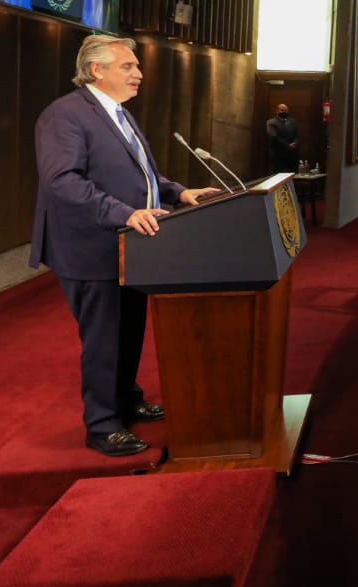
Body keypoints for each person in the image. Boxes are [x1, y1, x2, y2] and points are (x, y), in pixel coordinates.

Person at [30, 35, 220, 456]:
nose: (138, 74)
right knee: (104, 338)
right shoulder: (65, 115)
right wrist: (123, 213)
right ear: (97, 70)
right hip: (91, 248)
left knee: (129, 329)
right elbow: (62, 182)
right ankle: (101, 425)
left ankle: (127, 399)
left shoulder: (116, 113)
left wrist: (177, 192)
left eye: (136, 67)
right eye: (128, 67)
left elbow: (138, 176)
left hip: (132, 245)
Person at [266, 103, 299, 173]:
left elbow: (297, 134)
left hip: (291, 156)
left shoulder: (292, 121)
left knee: (291, 176)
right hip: (278, 156)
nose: (284, 112)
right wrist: (288, 145)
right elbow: (274, 137)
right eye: (282, 110)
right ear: (277, 111)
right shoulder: (271, 122)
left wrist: (295, 143)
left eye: (286, 110)